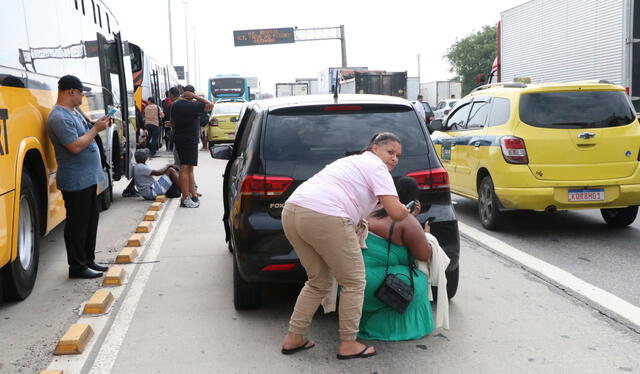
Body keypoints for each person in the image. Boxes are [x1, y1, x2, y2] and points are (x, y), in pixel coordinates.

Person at [280, 132, 410, 360]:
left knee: (318, 281)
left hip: (292, 211)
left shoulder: (349, 162)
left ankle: (294, 337)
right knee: (354, 281)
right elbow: (396, 213)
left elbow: (361, 205)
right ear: (374, 149)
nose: (394, 158)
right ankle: (348, 343)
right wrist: (406, 210)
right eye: (390, 152)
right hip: (326, 215)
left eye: (398, 155)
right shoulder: (377, 167)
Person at [47, 75, 111, 279]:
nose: (83, 96)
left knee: (90, 220)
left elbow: (86, 133)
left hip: (88, 178)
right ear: (71, 92)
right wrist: (95, 129)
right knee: (78, 224)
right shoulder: (59, 117)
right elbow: (74, 146)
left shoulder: (74, 112)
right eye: (81, 92)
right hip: (76, 180)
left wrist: (97, 125)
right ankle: (77, 266)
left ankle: (88, 260)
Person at [359, 176, 434, 341]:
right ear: (414, 200)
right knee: (418, 280)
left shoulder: (370, 209)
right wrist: (426, 235)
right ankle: (390, 328)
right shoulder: (406, 221)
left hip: (350, 281)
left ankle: (363, 321)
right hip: (371, 285)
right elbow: (424, 255)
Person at [168, 85, 213, 208]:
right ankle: (185, 198)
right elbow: (210, 105)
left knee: (189, 169)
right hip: (189, 140)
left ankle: (193, 195)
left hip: (181, 139)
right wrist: (195, 96)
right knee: (185, 169)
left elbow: (172, 123)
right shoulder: (191, 105)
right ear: (189, 94)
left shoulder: (175, 105)